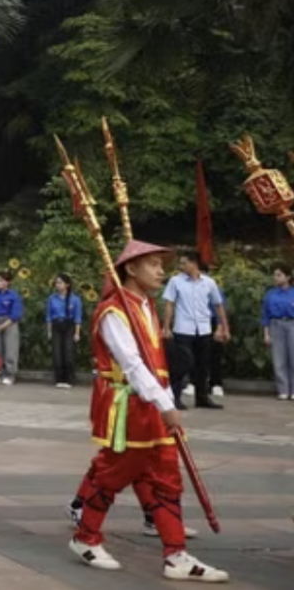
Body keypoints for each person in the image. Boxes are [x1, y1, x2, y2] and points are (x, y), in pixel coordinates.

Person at [69, 241, 225, 581]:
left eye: (160, 264)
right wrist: (166, 404)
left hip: (153, 403)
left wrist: (166, 400)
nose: (161, 271)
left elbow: (156, 365)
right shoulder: (114, 312)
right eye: (153, 264)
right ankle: (86, 537)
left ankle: (176, 554)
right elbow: (132, 365)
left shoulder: (146, 306)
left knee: (167, 475)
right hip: (129, 406)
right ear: (131, 269)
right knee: (115, 472)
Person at [161, 254, 229, 410]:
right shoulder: (175, 281)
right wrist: (166, 327)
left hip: (203, 328)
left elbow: (218, 305)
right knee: (181, 363)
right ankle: (175, 397)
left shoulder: (209, 282)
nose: (181, 266)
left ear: (194, 264)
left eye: (184, 263)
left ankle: (202, 397)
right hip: (183, 328)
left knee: (203, 365)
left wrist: (223, 326)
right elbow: (169, 304)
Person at [0, 272, 23, 386]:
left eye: (0, 280)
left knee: (10, 349)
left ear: (7, 282)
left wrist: (4, 325)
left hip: (9, 322)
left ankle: (10, 374)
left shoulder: (14, 296)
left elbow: (16, 313)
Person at [48, 273, 83, 389]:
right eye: (56, 283)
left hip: (69, 326)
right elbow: (49, 316)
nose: (57, 285)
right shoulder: (52, 298)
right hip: (56, 325)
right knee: (57, 353)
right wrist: (49, 331)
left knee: (68, 352)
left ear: (67, 285)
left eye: (60, 283)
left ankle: (69, 379)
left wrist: (77, 333)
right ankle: (59, 378)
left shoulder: (75, 299)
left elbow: (77, 318)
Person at [264, 265, 294, 400]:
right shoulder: (270, 294)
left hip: (292, 323)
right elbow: (265, 315)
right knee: (278, 359)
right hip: (275, 324)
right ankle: (283, 390)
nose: (276, 278)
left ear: (288, 277)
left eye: (279, 275)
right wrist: (266, 333)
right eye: (275, 275)